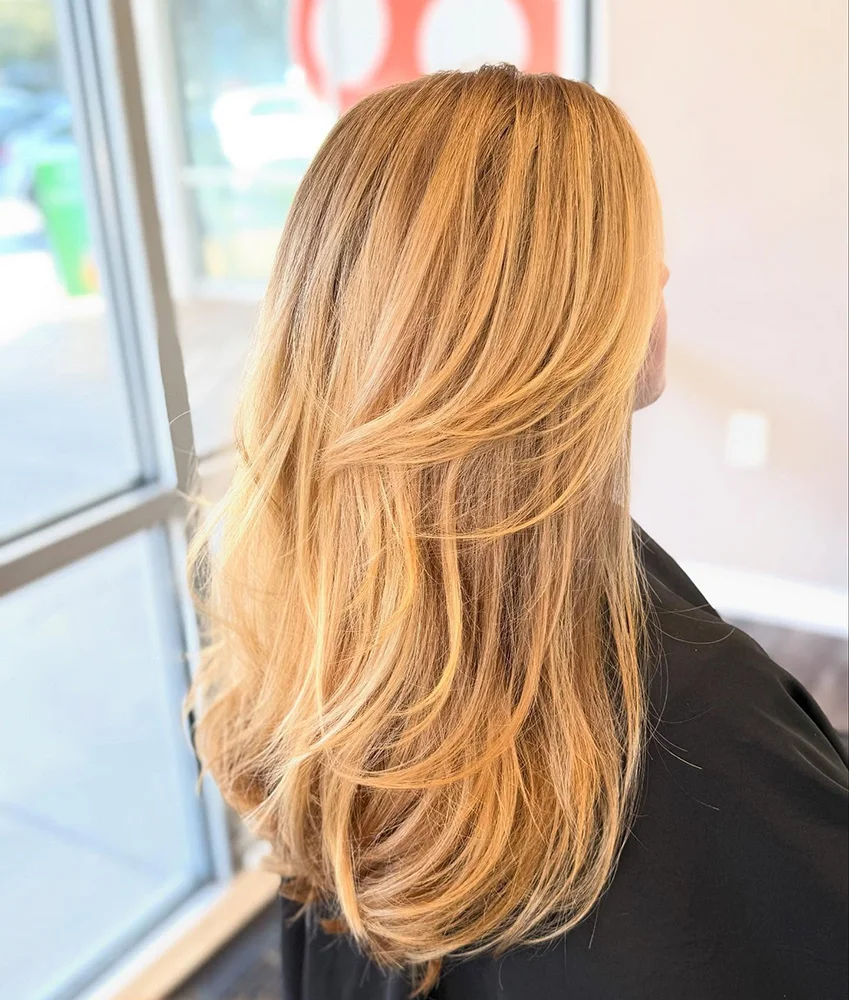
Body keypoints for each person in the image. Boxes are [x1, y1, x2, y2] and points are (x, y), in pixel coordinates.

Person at [188, 65, 848, 1000]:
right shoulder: (697, 717)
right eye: (635, 257)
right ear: (550, 337)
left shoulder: (282, 597)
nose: (661, 276)